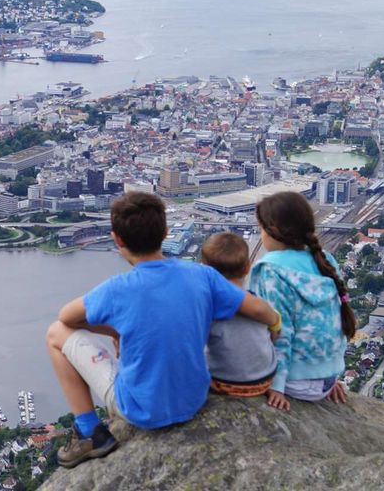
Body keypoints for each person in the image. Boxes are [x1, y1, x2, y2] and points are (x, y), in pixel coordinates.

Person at [45, 192, 282, 469]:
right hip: (194, 400)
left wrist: (113, 332)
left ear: (117, 239)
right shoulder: (202, 276)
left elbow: (66, 318)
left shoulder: (116, 289)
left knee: (54, 334)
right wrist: (275, 323)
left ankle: (89, 431)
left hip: (140, 410)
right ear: (166, 232)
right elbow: (256, 308)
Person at [252, 191, 357, 411]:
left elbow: (281, 332)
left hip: (293, 381)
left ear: (273, 231)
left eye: (261, 228)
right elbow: (334, 320)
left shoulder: (270, 270)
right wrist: (329, 376)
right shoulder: (324, 259)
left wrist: (277, 387)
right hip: (327, 380)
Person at [200, 232, 278, 397]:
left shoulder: (209, 306)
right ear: (247, 267)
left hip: (223, 383)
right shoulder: (257, 302)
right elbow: (274, 333)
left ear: (205, 270)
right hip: (265, 379)